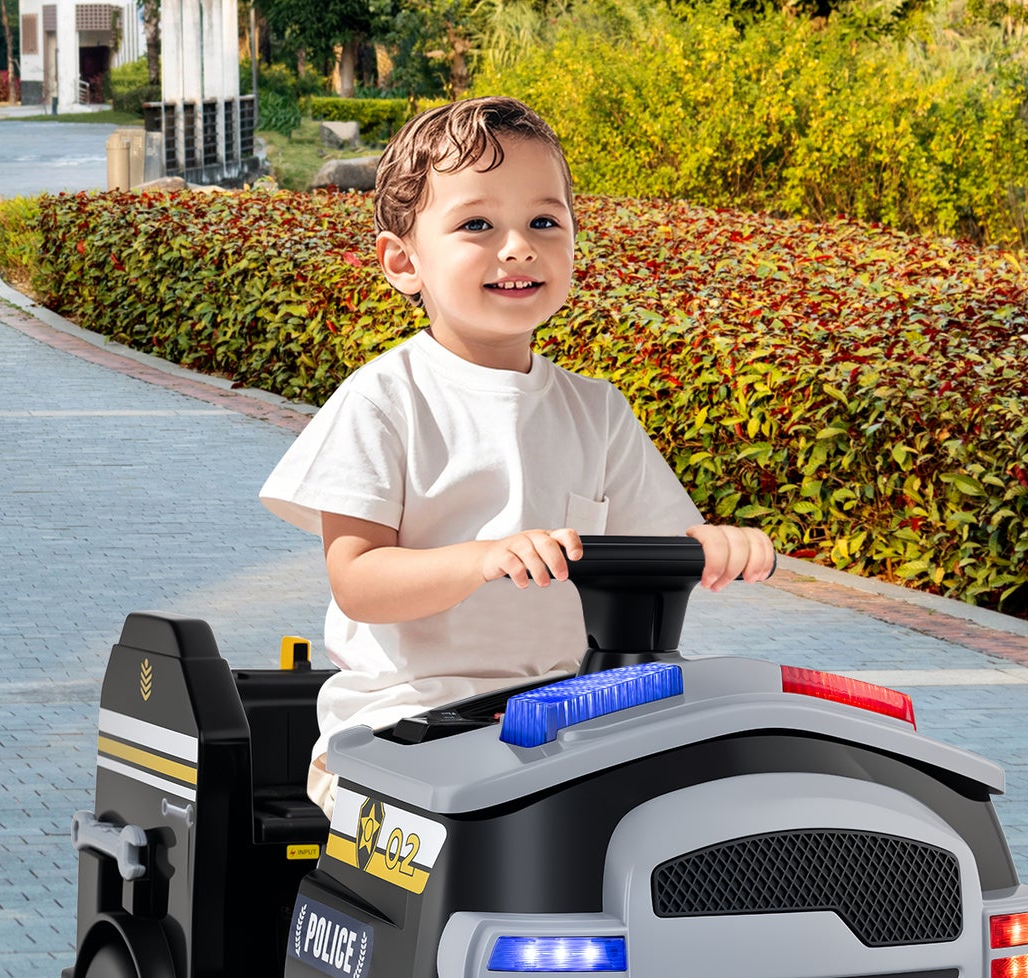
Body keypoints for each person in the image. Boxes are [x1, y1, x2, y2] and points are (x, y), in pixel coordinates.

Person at [260, 96, 775, 815]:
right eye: (477, 224)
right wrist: (482, 558)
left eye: (543, 221)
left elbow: (659, 545)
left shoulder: (596, 411)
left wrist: (716, 545)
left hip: (566, 716)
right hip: (405, 728)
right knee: (504, 831)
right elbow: (358, 581)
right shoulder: (384, 399)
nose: (516, 246)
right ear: (402, 260)